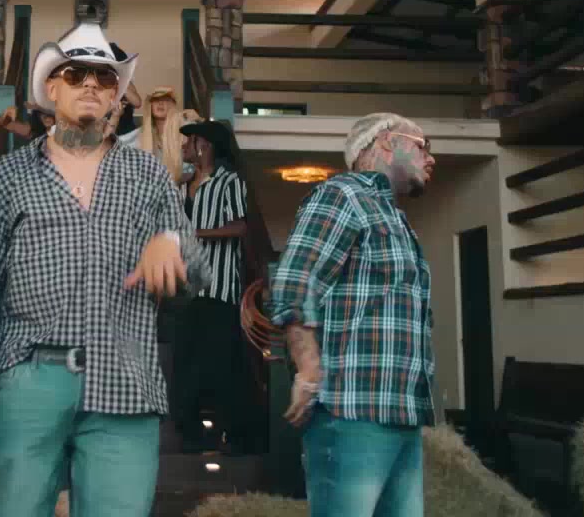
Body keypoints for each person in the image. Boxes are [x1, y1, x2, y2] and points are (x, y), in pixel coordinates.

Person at [0, 21, 212, 517]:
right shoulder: (6, 175)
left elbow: (199, 273)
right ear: (52, 88)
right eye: (76, 73)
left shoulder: (148, 174)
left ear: (115, 96)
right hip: (28, 377)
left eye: (105, 76)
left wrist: (172, 243)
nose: (91, 83)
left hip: (125, 375)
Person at [269, 112, 437, 517]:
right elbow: (296, 282)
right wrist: (308, 369)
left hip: (402, 415)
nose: (431, 158)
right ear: (385, 141)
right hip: (351, 414)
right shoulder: (343, 195)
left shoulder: (394, 217)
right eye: (422, 145)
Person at [172, 119, 253, 454]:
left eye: (188, 141)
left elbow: (240, 227)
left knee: (222, 365)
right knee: (184, 365)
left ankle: (237, 436)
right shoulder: (183, 186)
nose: (182, 146)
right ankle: (191, 435)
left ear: (203, 145)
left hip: (219, 290)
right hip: (186, 291)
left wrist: (194, 235)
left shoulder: (229, 182)